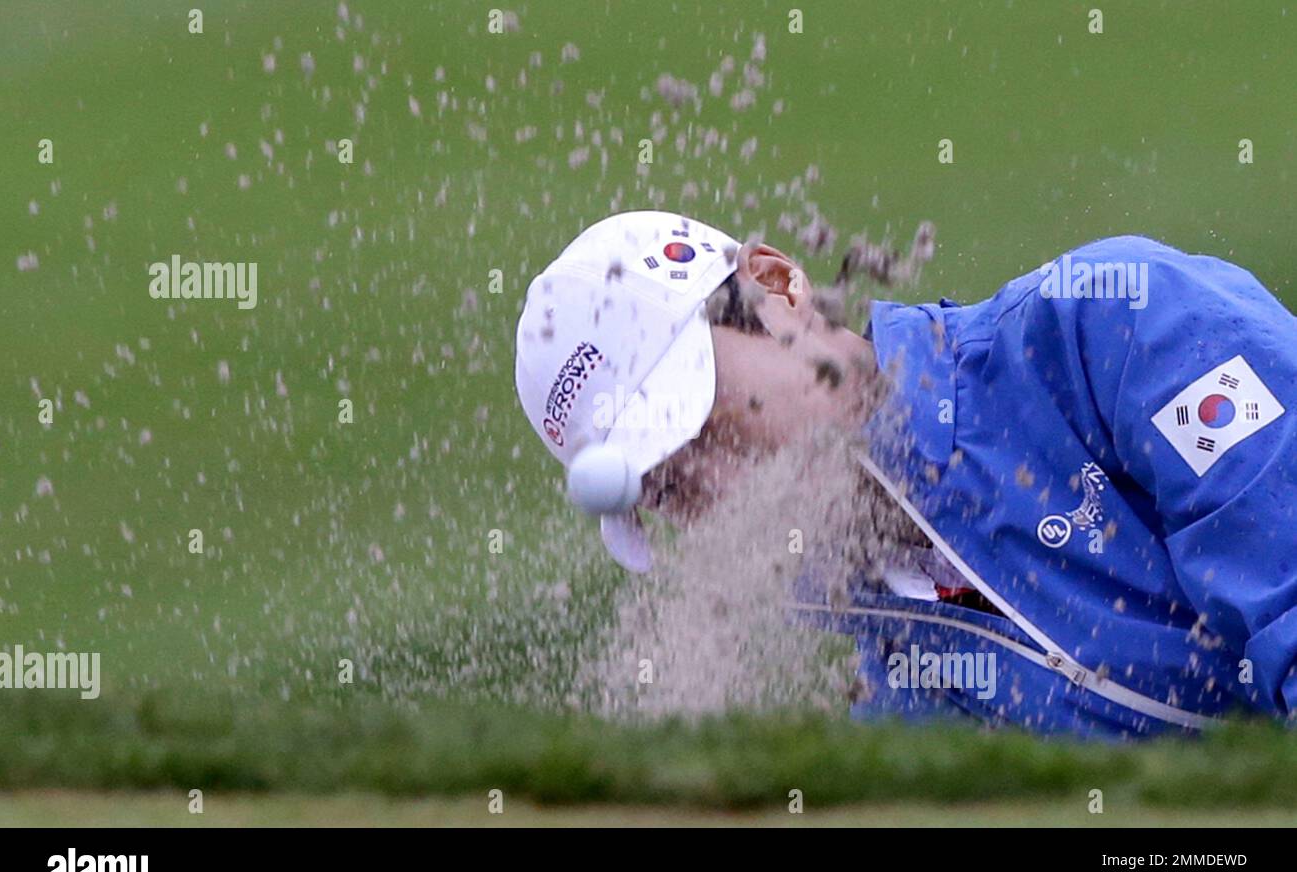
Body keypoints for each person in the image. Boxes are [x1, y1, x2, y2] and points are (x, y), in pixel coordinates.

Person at [514, 210, 1297, 738]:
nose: (725, 487)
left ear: (780, 288)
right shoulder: (896, 676)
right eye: (673, 489)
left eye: (710, 425)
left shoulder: (1111, 327)